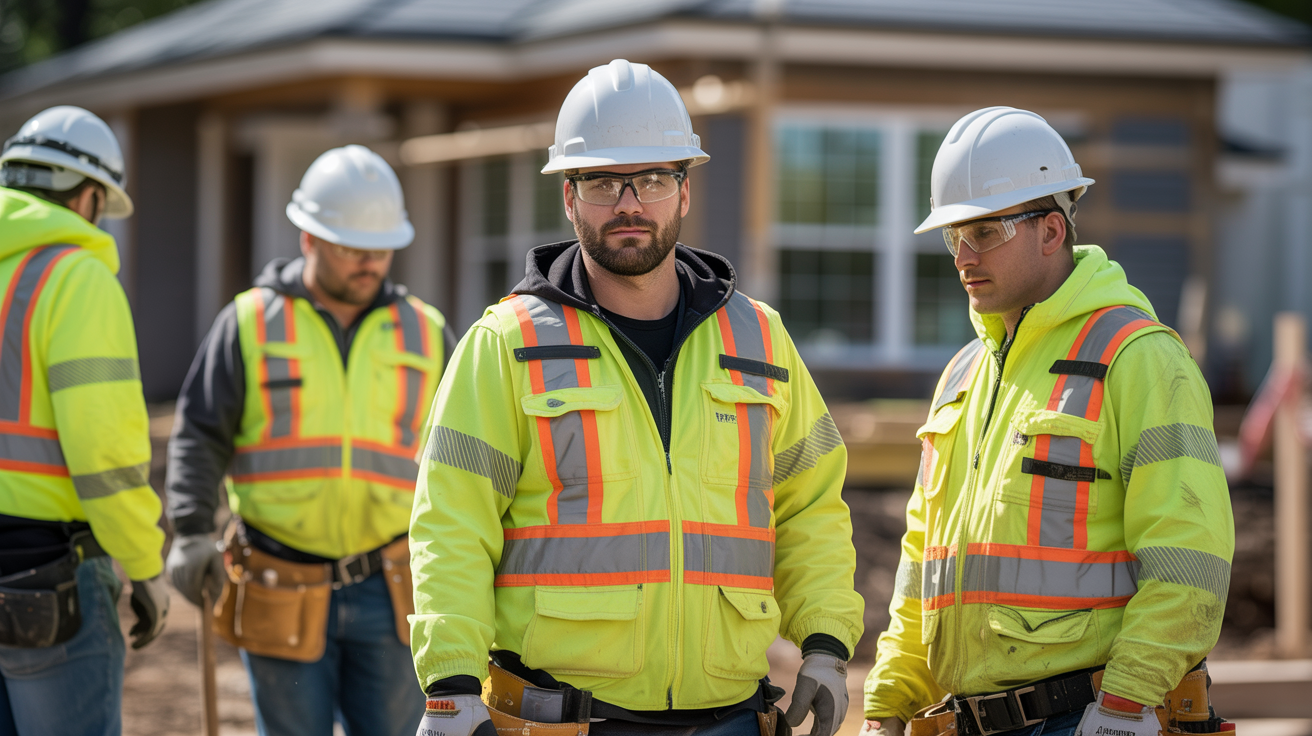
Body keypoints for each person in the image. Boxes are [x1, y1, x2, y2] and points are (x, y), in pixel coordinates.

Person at [409, 59, 865, 736]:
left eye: (652, 179)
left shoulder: (761, 339)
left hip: (732, 717)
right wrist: (449, 684)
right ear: (569, 198)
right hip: (566, 719)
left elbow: (812, 508)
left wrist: (825, 646)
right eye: (602, 181)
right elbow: (451, 522)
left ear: (684, 191)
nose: (629, 203)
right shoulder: (506, 343)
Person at [861, 107, 1234, 736]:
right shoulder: (964, 375)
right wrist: (889, 705)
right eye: (955, 236)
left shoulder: (1139, 358)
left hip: (1089, 717)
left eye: (984, 232)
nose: (963, 256)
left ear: (1052, 231)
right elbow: (924, 562)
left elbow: (1189, 559)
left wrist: (1125, 705)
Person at [165, 144, 455, 736]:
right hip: (278, 579)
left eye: (381, 250)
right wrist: (191, 531)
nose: (370, 264)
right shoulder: (248, 323)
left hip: (392, 584)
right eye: (353, 249)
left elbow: (461, 456)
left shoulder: (427, 331)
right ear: (309, 240)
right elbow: (199, 432)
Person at [0, 105, 169, 735]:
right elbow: (106, 456)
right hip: (48, 581)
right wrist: (145, 567)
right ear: (91, 196)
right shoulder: (76, 278)